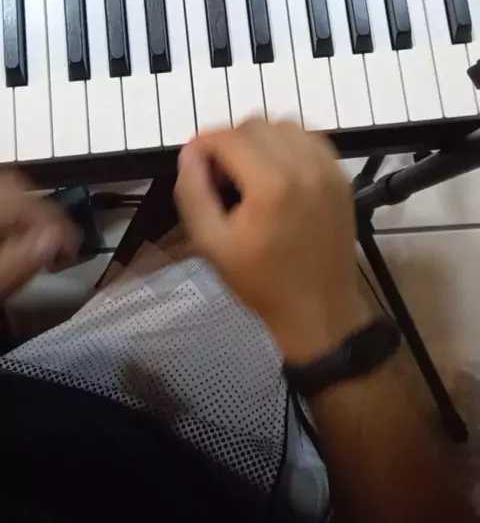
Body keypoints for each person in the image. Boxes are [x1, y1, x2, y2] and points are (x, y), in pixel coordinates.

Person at [0, 119, 475, 523]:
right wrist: (329, 329)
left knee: (201, 174)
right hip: (218, 467)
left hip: (50, 392)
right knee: (233, 208)